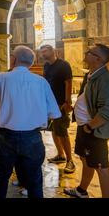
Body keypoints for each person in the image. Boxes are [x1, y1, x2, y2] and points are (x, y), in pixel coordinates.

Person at [0, 45, 61, 198]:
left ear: (14, 59)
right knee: (35, 181)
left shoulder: (2, 78)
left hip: (6, 137)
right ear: (31, 63)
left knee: (1, 177)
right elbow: (54, 112)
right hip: (33, 138)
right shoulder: (41, 82)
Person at [64, 44, 109, 198]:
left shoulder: (105, 79)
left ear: (98, 59)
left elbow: (108, 110)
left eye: (90, 52)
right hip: (85, 126)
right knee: (86, 159)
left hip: (94, 130)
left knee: (101, 166)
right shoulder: (92, 74)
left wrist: (90, 126)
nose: (86, 53)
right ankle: (82, 190)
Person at [40, 44, 75, 174]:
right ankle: (60, 155)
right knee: (53, 130)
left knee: (62, 132)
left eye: (45, 51)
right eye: (41, 51)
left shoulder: (63, 65)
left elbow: (68, 83)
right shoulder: (46, 66)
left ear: (53, 51)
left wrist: (67, 101)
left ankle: (70, 161)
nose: (43, 54)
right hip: (50, 103)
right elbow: (45, 82)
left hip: (61, 103)